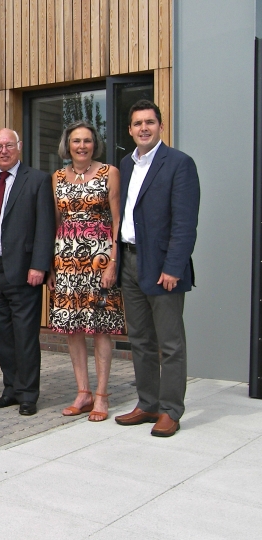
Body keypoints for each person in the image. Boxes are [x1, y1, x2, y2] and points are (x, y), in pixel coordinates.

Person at [114, 100, 200, 437]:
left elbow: (184, 223)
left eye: (149, 122)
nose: (143, 128)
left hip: (163, 266)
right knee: (140, 340)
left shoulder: (179, 164)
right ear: (131, 129)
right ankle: (148, 403)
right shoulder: (126, 163)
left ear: (160, 126)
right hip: (130, 261)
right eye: (137, 124)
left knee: (170, 343)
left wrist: (174, 267)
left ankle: (171, 410)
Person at [0, 128, 56, 416]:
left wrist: (40, 265)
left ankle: (29, 393)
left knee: (25, 335)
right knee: (2, 334)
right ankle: (11, 388)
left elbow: (45, 226)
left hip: (23, 271)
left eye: (8, 145)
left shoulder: (38, 180)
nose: (3, 151)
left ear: (19, 147)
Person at [46, 121, 125, 422]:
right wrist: (51, 265)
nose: (81, 146)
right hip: (65, 260)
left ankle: (102, 395)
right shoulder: (57, 177)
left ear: (95, 144)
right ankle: (83, 392)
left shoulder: (109, 173)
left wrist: (114, 261)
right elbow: (54, 222)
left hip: (99, 259)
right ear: (67, 145)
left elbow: (117, 220)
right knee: (73, 328)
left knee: (101, 327)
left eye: (87, 141)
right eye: (76, 141)